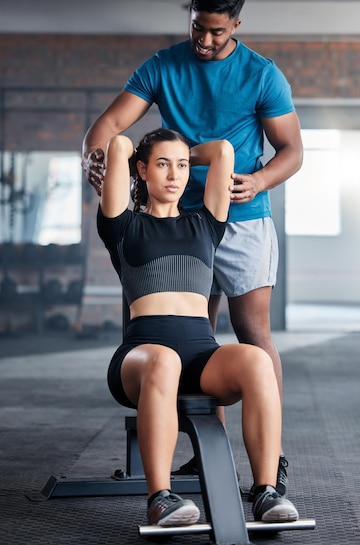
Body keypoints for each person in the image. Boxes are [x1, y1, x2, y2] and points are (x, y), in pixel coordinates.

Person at [82, 0, 303, 497]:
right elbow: (109, 128)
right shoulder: (162, 65)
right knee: (191, 334)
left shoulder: (262, 74)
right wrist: (92, 159)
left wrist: (261, 179)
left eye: (216, 33)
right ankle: (208, 451)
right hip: (178, 219)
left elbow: (293, 150)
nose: (204, 40)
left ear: (237, 26)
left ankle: (273, 461)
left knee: (251, 334)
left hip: (236, 216)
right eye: (197, 29)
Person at [97, 126, 299, 526]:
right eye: (162, 166)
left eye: (183, 166)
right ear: (142, 170)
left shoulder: (206, 223)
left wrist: (178, 153)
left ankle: (265, 492)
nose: (174, 175)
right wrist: (151, 152)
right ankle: (161, 498)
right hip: (143, 358)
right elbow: (118, 144)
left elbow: (223, 151)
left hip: (201, 358)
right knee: (164, 361)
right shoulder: (122, 225)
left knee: (258, 361)